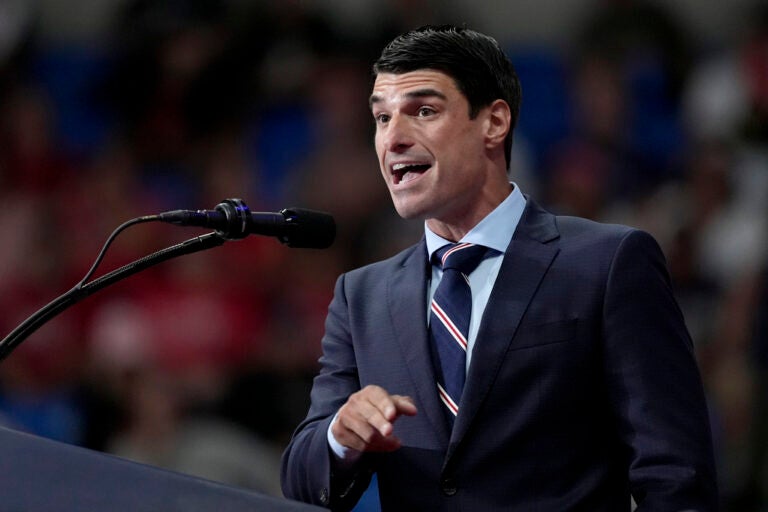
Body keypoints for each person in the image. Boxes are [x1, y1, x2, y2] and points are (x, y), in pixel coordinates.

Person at [280, 25, 718, 511]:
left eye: (423, 111)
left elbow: (676, 475)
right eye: (382, 118)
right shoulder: (360, 295)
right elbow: (302, 477)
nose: (393, 138)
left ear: (494, 122)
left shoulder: (607, 262)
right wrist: (341, 436)